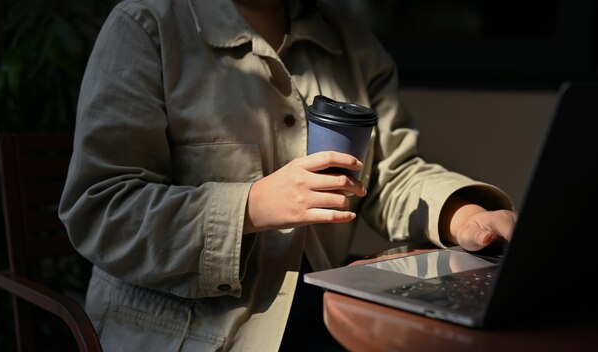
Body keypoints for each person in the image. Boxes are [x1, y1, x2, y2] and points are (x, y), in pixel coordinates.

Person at [58, 0, 517, 351]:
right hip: (187, 335)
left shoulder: (352, 46)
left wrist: (464, 214)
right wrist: (253, 206)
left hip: (323, 317)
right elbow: (102, 208)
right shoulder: (146, 27)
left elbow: (388, 174)